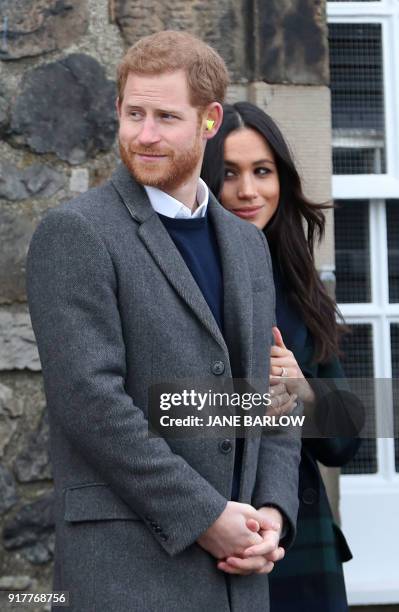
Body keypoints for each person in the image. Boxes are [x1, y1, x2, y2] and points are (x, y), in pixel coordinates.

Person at [26, 33, 302, 612]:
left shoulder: (248, 245)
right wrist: (206, 517)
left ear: (209, 121)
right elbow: (89, 403)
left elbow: (271, 396)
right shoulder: (76, 233)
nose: (144, 135)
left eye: (166, 117)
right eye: (133, 114)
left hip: (243, 579)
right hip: (129, 579)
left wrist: (273, 514)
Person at [201, 101, 362, 612]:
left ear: (282, 181)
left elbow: (342, 442)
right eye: (229, 173)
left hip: (302, 541)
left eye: (262, 171)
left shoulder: (299, 285)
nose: (248, 191)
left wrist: (304, 391)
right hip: (209, 534)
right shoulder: (179, 280)